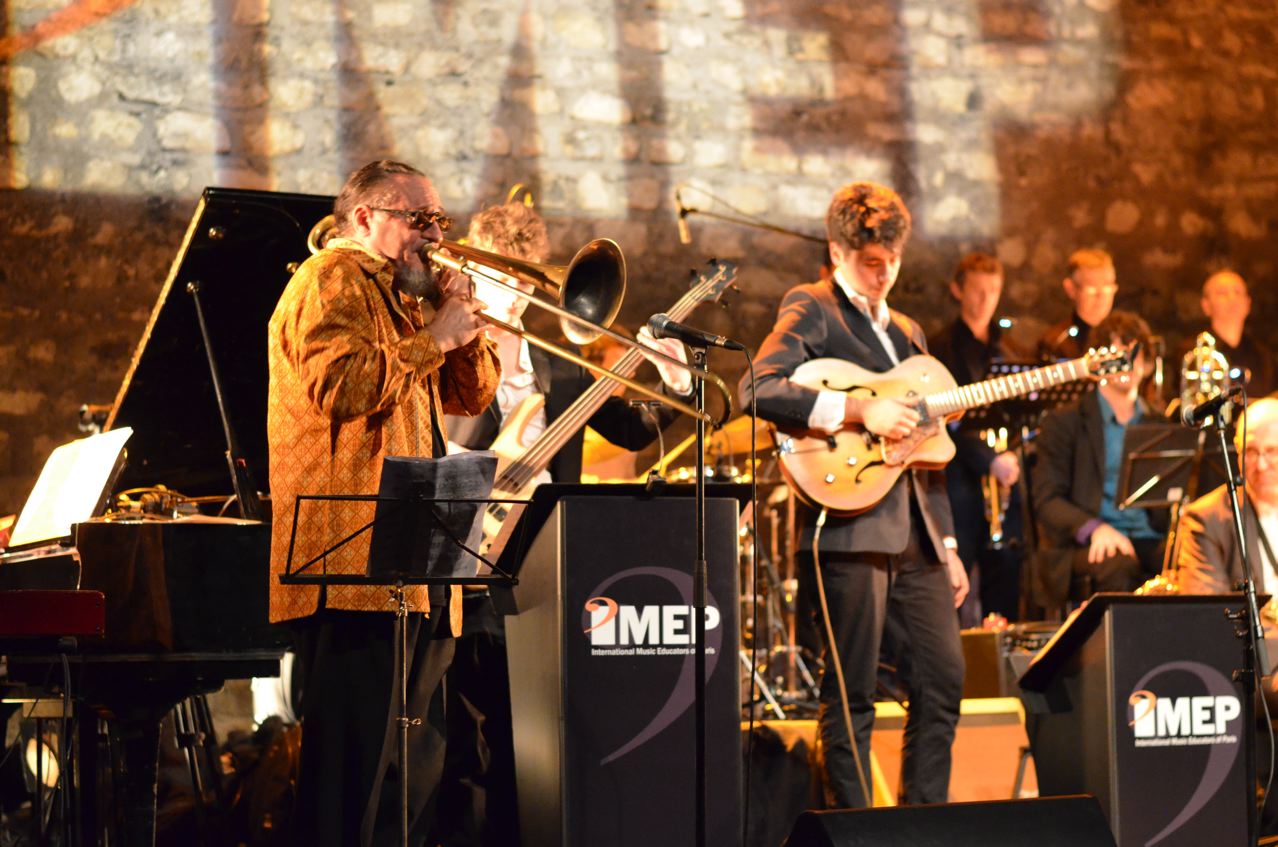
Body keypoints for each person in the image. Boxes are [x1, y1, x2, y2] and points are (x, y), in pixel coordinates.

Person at [438, 200, 691, 846]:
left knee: (539, 724)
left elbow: (632, 426)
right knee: (472, 726)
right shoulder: (443, 345)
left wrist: (676, 383)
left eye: (527, 281)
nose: (518, 294)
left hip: (547, 556)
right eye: (505, 278)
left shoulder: (558, 356)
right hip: (472, 550)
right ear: (473, 266)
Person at [266, 159, 498, 847]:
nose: (435, 235)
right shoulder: (329, 277)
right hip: (352, 570)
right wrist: (434, 336)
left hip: (414, 567)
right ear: (365, 217)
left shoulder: (403, 291)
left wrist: (456, 324)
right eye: (419, 219)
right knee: (352, 789)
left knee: (411, 781)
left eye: (440, 220)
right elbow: (341, 386)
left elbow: (472, 396)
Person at [741, 182, 967, 808]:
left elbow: (930, 453)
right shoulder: (813, 306)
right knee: (851, 694)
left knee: (943, 681)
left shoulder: (910, 330)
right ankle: (856, 832)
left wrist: (947, 543)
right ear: (838, 249)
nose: (885, 273)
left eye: (894, 259)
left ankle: (924, 826)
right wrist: (856, 412)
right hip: (849, 526)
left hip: (919, 533)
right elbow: (757, 388)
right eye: (872, 261)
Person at [1031, 310, 1168, 610]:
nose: (1127, 364)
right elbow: (1047, 499)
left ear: (1146, 363)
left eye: (1135, 354)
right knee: (1116, 566)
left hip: (1149, 536)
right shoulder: (1065, 421)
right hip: (1090, 541)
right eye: (1117, 355)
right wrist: (1095, 528)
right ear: (1098, 364)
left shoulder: (1161, 424)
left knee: (1191, 566)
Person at [927, 252, 1031, 622]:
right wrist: (989, 459)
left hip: (1004, 479)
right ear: (958, 290)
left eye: (994, 290)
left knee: (1006, 572)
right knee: (957, 576)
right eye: (977, 290)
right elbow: (943, 422)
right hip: (959, 478)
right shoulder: (939, 348)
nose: (986, 299)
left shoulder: (1011, 350)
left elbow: (1024, 414)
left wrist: (1013, 454)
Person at [1177, 397, 1278, 598]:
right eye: (1250, 452)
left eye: (1272, 451)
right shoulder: (1205, 519)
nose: (1261, 465)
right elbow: (1207, 613)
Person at [1182, 269, 1276, 399]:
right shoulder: (1190, 354)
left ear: (1248, 303)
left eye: (1237, 293)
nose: (1232, 299)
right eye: (1222, 293)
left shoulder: (1264, 358)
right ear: (1206, 305)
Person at [1038, 248, 1118, 361]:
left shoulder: (1124, 337)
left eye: (1107, 285)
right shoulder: (1055, 342)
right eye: (1092, 286)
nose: (1101, 295)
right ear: (1070, 289)